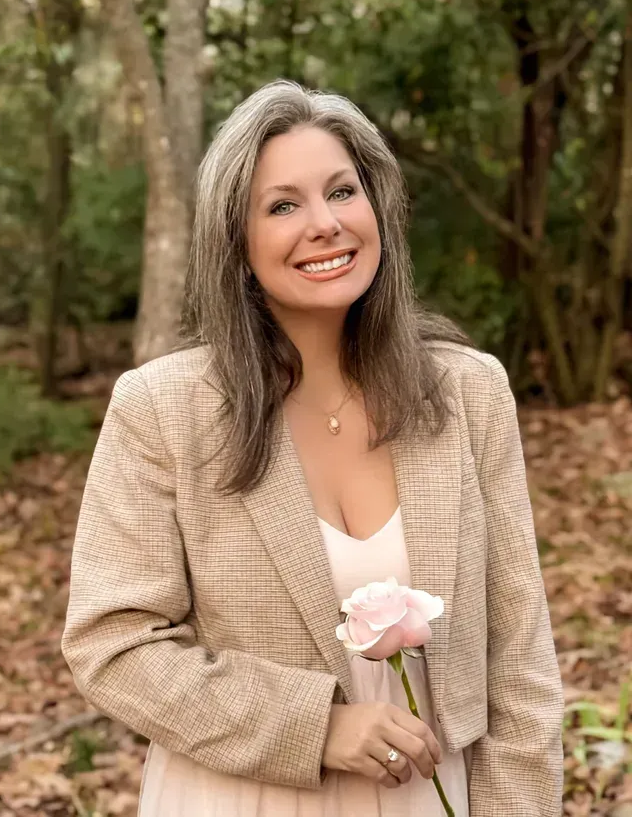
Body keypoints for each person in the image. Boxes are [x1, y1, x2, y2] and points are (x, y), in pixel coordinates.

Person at [61, 80, 564, 816]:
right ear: (235, 242)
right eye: (282, 206)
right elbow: (114, 646)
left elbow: (518, 659)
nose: (325, 224)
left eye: (342, 192)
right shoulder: (162, 409)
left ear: (379, 208)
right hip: (240, 798)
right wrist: (315, 727)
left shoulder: (468, 393)